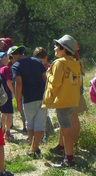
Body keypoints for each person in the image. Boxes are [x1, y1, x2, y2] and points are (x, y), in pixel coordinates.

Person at [42, 35, 82, 168]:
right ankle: (67, 154)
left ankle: (69, 159)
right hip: (73, 101)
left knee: (65, 132)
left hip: (63, 102)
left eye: (57, 45)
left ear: (63, 49)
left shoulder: (60, 63)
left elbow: (56, 82)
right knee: (66, 130)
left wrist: (48, 74)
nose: (54, 47)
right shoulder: (76, 63)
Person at [10, 45, 47, 158]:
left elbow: (19, 83)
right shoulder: (36, 61)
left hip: (28, 99)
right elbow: (45, 77)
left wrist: (18, 100)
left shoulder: (16, 66)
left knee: (30, 124)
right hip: (42, 97)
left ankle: (32, 149)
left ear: (13, 56)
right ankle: (35, 148)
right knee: (40, 124)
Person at [0, 52, 15, 140]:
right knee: (9, 114)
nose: (8, 57)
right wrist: (13, 92)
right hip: (7, 93)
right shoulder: (6, 68)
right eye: (6, 56)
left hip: (1, 95)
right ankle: (8, 132)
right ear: (1, 59)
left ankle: (2, 130)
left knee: (3, 113)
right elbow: (8, 81)